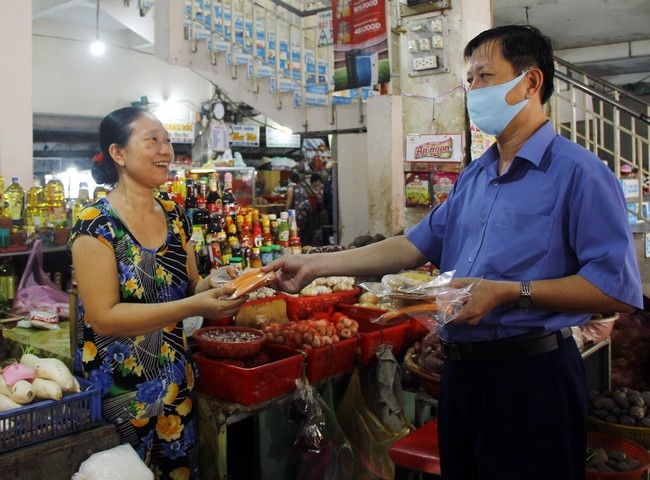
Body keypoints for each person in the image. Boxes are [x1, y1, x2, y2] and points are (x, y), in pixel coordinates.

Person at [263, 25, 643, 480]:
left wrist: (507, 294)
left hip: (530, 378)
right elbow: (410, 245)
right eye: (470, 80)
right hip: (461, 377)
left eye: (485, 77)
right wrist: (314, 264)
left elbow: (614, 288)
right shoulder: (475, 177)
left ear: (531, 82)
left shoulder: (579, 173)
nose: (473, 90)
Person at [68, 107, 246, 480]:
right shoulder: (96, 224)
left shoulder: (174, 212)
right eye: (152, 140)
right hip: (120, 392)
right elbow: (104, 317)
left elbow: (191, 282)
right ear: (118, 153)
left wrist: (215, 283)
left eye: (167, 141)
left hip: (175, 382)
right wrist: (195, 304)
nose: (165, 150)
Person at [286, 171, 314, 242]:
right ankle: (302, 243)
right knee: (304, 230)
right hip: (307, 210)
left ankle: (298, 244)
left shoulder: (291, 186)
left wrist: (285, 213)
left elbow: (289, 201)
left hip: (300, 211)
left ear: (290, 179)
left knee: (297, 230)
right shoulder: (300, 186)